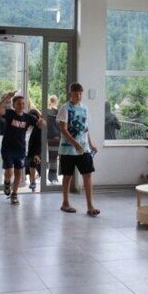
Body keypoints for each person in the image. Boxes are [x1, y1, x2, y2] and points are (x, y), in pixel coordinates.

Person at [57, 82, 100, 216]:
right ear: (71, 93)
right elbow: (63, 129)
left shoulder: (85, 108)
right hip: (68, 149)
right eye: (76, 94)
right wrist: (75, 143)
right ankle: (65, 203)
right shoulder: (65, 108)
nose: (79, 96)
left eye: (80, 93)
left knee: (87, 174)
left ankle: (90, 206)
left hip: (84, 148)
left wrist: (90, 144)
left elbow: (85, 129)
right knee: (67, 176)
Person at [0, 91, 44, 204]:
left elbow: (41, 124)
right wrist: (6, 98)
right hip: (7, 148)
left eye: (23, 103)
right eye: (18, 103)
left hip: (20, 149)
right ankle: (7, 182)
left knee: (18, 173)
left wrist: (41, 120)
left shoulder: (28, 117)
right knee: (9, 171)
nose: (21, 105)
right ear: (14, 105)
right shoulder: (10, 114)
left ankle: (14, 194)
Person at [26, 108, 43, 191]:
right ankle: (32, 183)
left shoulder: (38, 128)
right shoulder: (25, 126)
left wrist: (37, 154)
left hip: (34, 150)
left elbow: (39, 142)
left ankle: (33, 182)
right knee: (30, 167)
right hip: (26, 149)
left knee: (32, 165)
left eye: (34, 117)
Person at [45, 95, 61, 183]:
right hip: (55, 137)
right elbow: (55, 124)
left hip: (49, 137)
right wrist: (57, 134)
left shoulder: (47, 111)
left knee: (52, 157)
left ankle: (52, 176)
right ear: (56, 101)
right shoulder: (55, 111)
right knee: (54, 158)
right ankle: (53, 177)